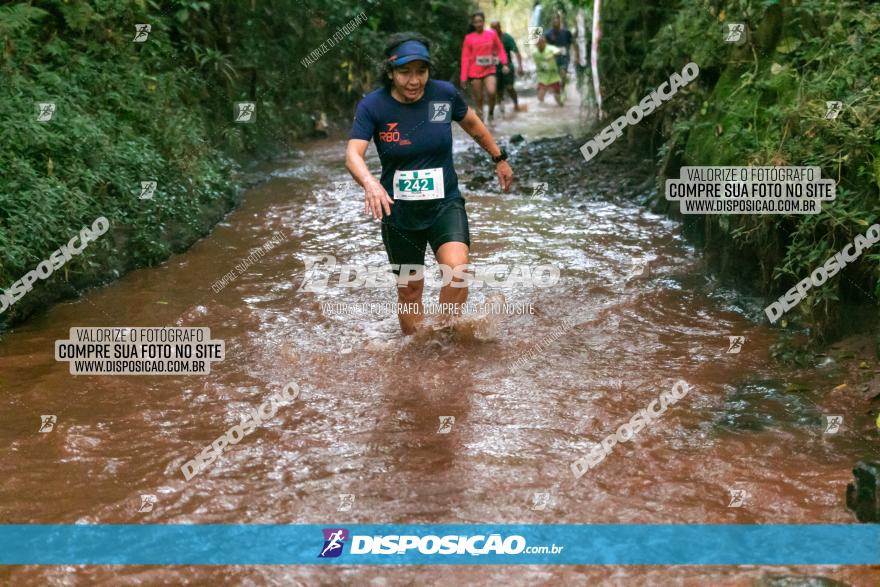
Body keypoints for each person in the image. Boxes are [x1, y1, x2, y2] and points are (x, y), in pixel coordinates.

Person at [346, 33, 514, 335]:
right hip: (399, 212)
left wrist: (499, 158)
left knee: (458, 271)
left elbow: (473, 125)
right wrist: (370, 183)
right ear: (390, 72)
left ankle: (444, 336)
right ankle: (416, 353)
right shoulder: (374, 106)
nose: (414, 81)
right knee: (410, 291)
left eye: (421, 72)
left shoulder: (444, 95)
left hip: (444, 204)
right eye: (405, 72)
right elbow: (353, 154)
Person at [460, 12, 508, 122]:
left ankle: (491, 113)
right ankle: (481, 121)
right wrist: (463, 77)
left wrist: (504, 63)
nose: (478, 24)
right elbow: (465, 58)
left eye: (480, 21)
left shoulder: (492, 34)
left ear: (484, 21)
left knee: (492, 92)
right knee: (479, 98)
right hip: (474, 72)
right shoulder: (469, 38)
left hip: (489, 69)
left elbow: (500, 49)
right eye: (476, 22)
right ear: (473, 24)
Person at [490, 21, 525, 113]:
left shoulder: (507, 38)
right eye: (492, 28)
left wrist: (520, 67)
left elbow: (516, 52)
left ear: (499, 27)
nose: (494, 30)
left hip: (507, 66)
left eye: (496, 27)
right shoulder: (489, 39)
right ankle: (501, 108)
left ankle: (516, 105)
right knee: (498, 89)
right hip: (495, 68)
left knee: (509, 87)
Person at [545, 12, 576, 94]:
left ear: (560, 20)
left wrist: (577, 56)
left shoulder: (566, 32)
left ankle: (562, 89)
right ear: (551, 21)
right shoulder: (548, 34)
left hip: (564, 57)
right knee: (554, 78)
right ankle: (556, 90)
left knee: (563, 74)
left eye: (557, 18)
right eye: (553, 19)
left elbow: (573, 43)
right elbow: (545, 47)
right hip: (553, 58)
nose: (555, 20)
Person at [532, 36, 562, 106]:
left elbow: (558, 51)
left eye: (541, 43)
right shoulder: (535, 53)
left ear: (545, 43)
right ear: (536, 45)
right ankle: (542, 109)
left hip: (553, 74)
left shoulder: (550, 48)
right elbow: (537, 63)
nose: (540, 45)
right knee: (540, 97)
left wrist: (552, 55)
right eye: (538, 44)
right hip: (543, 75)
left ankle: (560, 103)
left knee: (558, 99)